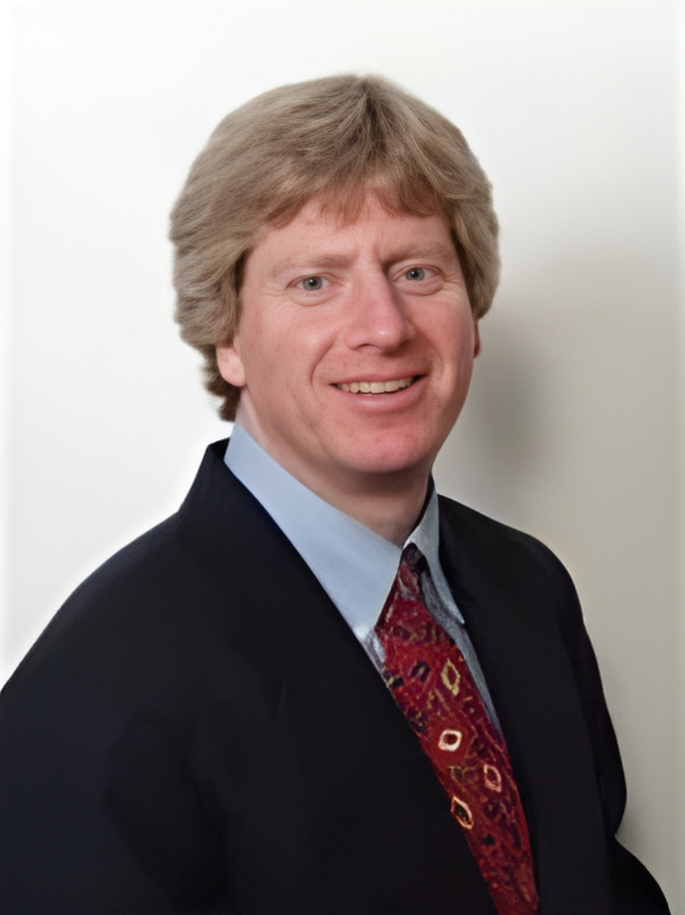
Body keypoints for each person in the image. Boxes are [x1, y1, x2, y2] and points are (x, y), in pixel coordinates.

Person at [0, 75, 670, 915]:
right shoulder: (98, 694)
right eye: (314, 282)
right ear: (228, 336)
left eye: (417, 270)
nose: (384, 326)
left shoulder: (528, 590)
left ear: (473, 314)